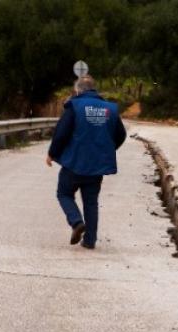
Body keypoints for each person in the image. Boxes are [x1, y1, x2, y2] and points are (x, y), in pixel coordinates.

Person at [46, 75, 127, 249]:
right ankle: (90, 240)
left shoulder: (75, 106)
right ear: (94, 89)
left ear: (78, 90)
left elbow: (61, 133)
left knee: (64, 193)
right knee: (91, 202)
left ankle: (76, 222)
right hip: (96, 166)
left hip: (74, 163)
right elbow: (121, 135)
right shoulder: (110, 109)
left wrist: (52, 153)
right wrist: (105, 150)